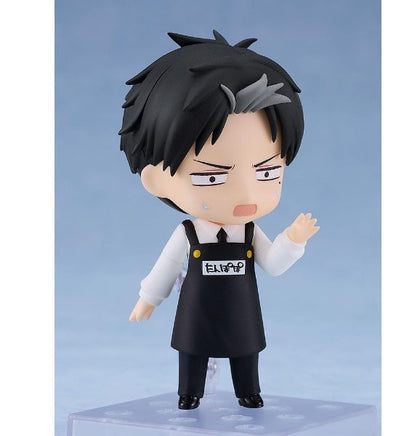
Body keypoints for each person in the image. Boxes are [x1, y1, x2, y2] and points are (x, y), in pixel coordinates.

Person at [119, 30, 319, 410]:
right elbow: (165, 268)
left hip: (242, 311)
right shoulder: (188, 232)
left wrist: (293, 240)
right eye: (211, 177)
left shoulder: (250, 232)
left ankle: (249, 391)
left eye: (267, 173)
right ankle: (189, 392)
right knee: (192, 350)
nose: (246, 194)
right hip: (196, 312)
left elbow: (273, 265)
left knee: (246, 351)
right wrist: (149, 298)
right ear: (157, 178)